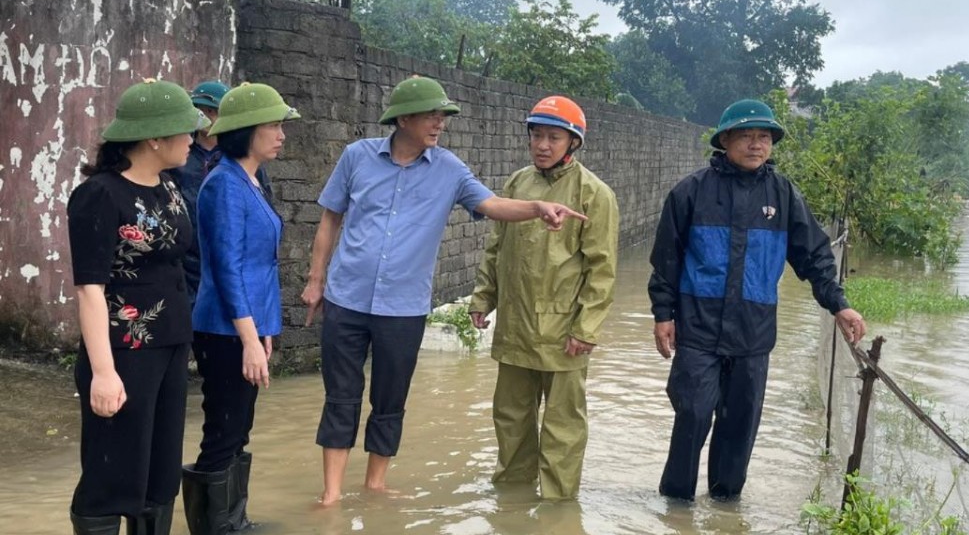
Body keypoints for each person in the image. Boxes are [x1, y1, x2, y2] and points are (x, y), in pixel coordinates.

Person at [301, 76, 587, 506]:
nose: (440, 123)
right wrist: (315, 280)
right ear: (403, 118)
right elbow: (330, 221)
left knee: (389, 398)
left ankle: (375, 484)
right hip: (346, 298)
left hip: (403, 307)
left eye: (442, 116)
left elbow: (491, 205)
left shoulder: (450, 170)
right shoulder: (356, 157)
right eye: (432, 115)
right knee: (341, 394)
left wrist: (536, 208)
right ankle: (331, 494)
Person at [648, 99, 867, 502]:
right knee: (692, 416)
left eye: (764, 137)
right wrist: (664, 314)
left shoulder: (783, 195)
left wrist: (839, 303)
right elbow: (666, 261)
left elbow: (814, 255)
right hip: (698, 329)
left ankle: (725, 507)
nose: (756, 145)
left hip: (753, 334)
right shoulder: (691, 192)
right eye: (746, 136)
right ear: (725, 140)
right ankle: (675, 511)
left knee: (739, 427)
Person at [65, 78, 206, 535]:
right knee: (113, 463)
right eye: (186, 132)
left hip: (170, 342)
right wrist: (103, 371)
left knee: (160, 459)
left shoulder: (168, 186)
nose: (194, 139)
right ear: (153, 138)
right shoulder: (98, 196)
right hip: (123, 349)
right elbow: (89, 289)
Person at [468, 96, 619, 500]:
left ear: (573, 143)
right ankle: (513, 499)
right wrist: (484, 297)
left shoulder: (594, 194)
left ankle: (557, 505)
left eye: (554, 137)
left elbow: (601, 270)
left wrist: (586, 329)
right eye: (537, 135)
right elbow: (497, 247)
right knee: (511, 418)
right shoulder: (518, 184)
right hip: (516, 326)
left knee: (563, 425)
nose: (543, 145)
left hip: (563, 331)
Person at [183, 83, 300, 535]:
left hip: (247, 326)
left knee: (240, 427)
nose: (281, 135)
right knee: (223, 428)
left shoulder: (249, 179)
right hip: (223, 328)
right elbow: (228, 268)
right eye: (273, 125)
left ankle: (233, 518)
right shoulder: (224, 184)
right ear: (245, 132)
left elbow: (258, 266)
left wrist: (263, 331)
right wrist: (249, 338)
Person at [173, 80, 273, 303]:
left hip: (233, 258)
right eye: (202, 110)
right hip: (189, 262)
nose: (208, 117)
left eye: (214, 111)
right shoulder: (178, 158)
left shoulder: (243, 159)